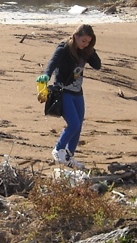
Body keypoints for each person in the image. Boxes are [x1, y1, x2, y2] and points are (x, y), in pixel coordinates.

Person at [36, 24, 101, 169]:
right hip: (63, 92)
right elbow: (53, 62)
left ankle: (69, 156)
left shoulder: (85, 51)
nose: (86, 43)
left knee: (78, 126)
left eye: (88, 41)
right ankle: (58, 149)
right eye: (83, 40)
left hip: (78, 93)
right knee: (73, 124)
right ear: (75, 36)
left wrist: (90, 50)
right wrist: (46, 75)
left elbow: (97, 65)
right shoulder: (64, 47)